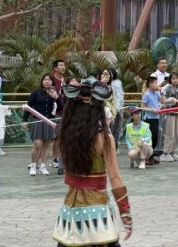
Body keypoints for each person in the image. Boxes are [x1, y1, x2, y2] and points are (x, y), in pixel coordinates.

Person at [52, 78, 132, 246]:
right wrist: (125, 213)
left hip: (72, 206)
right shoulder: (105, 138)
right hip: (97, 209)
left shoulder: (66, 136)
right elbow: (115, 178)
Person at [23, 73, 59, 176]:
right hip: (38, 121)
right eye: (45, 80)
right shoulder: (36, 93)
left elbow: (61, 106)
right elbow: (28, 106)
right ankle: (33, 166)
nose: (47, 81)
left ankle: (43, 166)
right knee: (37, 144)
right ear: (42, 81)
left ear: (52, 82)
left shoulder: (55, 94)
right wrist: (25, 120)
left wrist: (56, 97)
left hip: (49, 121)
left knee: (46, 145)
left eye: (49, 80)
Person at [161, 71, 178, 162]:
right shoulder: (167, 88)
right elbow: (163, 100)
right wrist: (173, 100)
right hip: (170, 113)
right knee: (170, 133)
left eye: (176, 78)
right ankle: (165, 153)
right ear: (170, 79)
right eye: (173, 78)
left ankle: (173, 152)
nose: (175, 80)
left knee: (176, 134)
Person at [140, 76, 161, 164]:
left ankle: (151, 156)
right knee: (149, 138)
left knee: (155, 137)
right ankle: (146, 157)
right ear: (150, 84)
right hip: (149, 119)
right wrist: (151, 109)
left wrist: (161, 92)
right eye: (155, 83)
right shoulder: (147, 94)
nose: (157, 84)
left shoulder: (156, 93)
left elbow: (163, 101)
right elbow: (142, 107)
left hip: (156, 118)